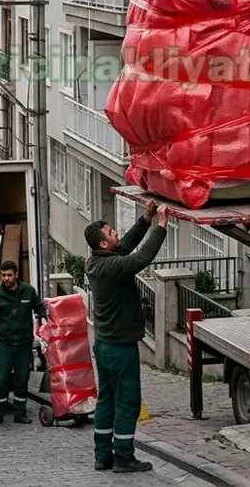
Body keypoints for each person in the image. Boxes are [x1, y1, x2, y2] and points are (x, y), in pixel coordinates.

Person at [85, 202, 169, 474]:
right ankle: (123, 455)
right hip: (121, 349)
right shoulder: (112, 268)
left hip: (104, 346)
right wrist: (161, 226)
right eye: (111, 232)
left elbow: (126, 246)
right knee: (127, 401)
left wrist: (145, 219)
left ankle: (102, 454)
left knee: (106, 399)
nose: (116, 232)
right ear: (104, 244)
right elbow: (140, 258)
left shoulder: (97, 261)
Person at [0, 259, 45, 425]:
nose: (6, 278)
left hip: (24, 344)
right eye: (3, 275)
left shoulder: (28, 291)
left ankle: (20, 413)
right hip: (5, 344)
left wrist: (43, 318)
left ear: (16, 275)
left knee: (22, 378)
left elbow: (39, 307)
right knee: (0, 379)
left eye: (9, 275)